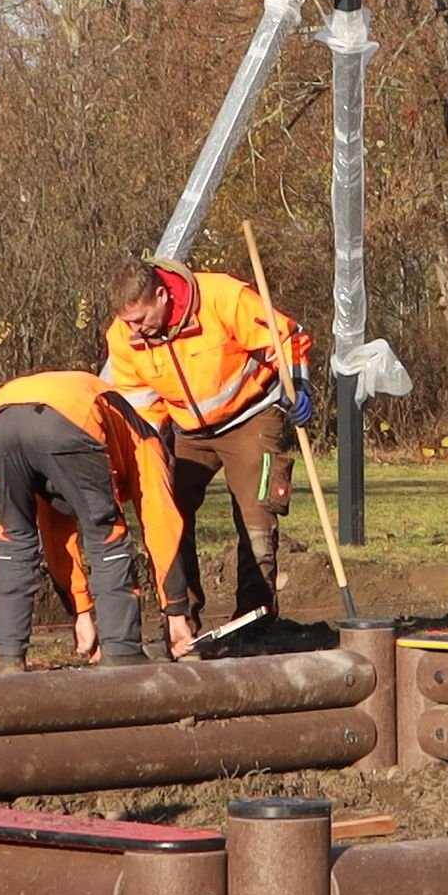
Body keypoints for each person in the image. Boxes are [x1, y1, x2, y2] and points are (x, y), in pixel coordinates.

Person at [104, 259, 313, 624]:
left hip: (252, 413)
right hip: (187, 430)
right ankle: (182, 618)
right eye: (128, 322)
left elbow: (287, 338)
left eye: (140, 319)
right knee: (167, 512)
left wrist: (299, 384)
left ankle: (255, 618)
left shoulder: (222, 297)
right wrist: (151, 452)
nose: (135, 329)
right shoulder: (124, 337)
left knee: (256, 513)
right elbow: (139, 402)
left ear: (161, 294)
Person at [0, 367, 193, 669]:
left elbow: (55, 531)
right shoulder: (147, 443)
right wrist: (177, 614)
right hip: (70, 418)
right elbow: (162, 527)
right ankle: (122, 652)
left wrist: (82, 615)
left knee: (15, 538)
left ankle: (8, 658)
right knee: (106, 534)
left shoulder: (111, 429)